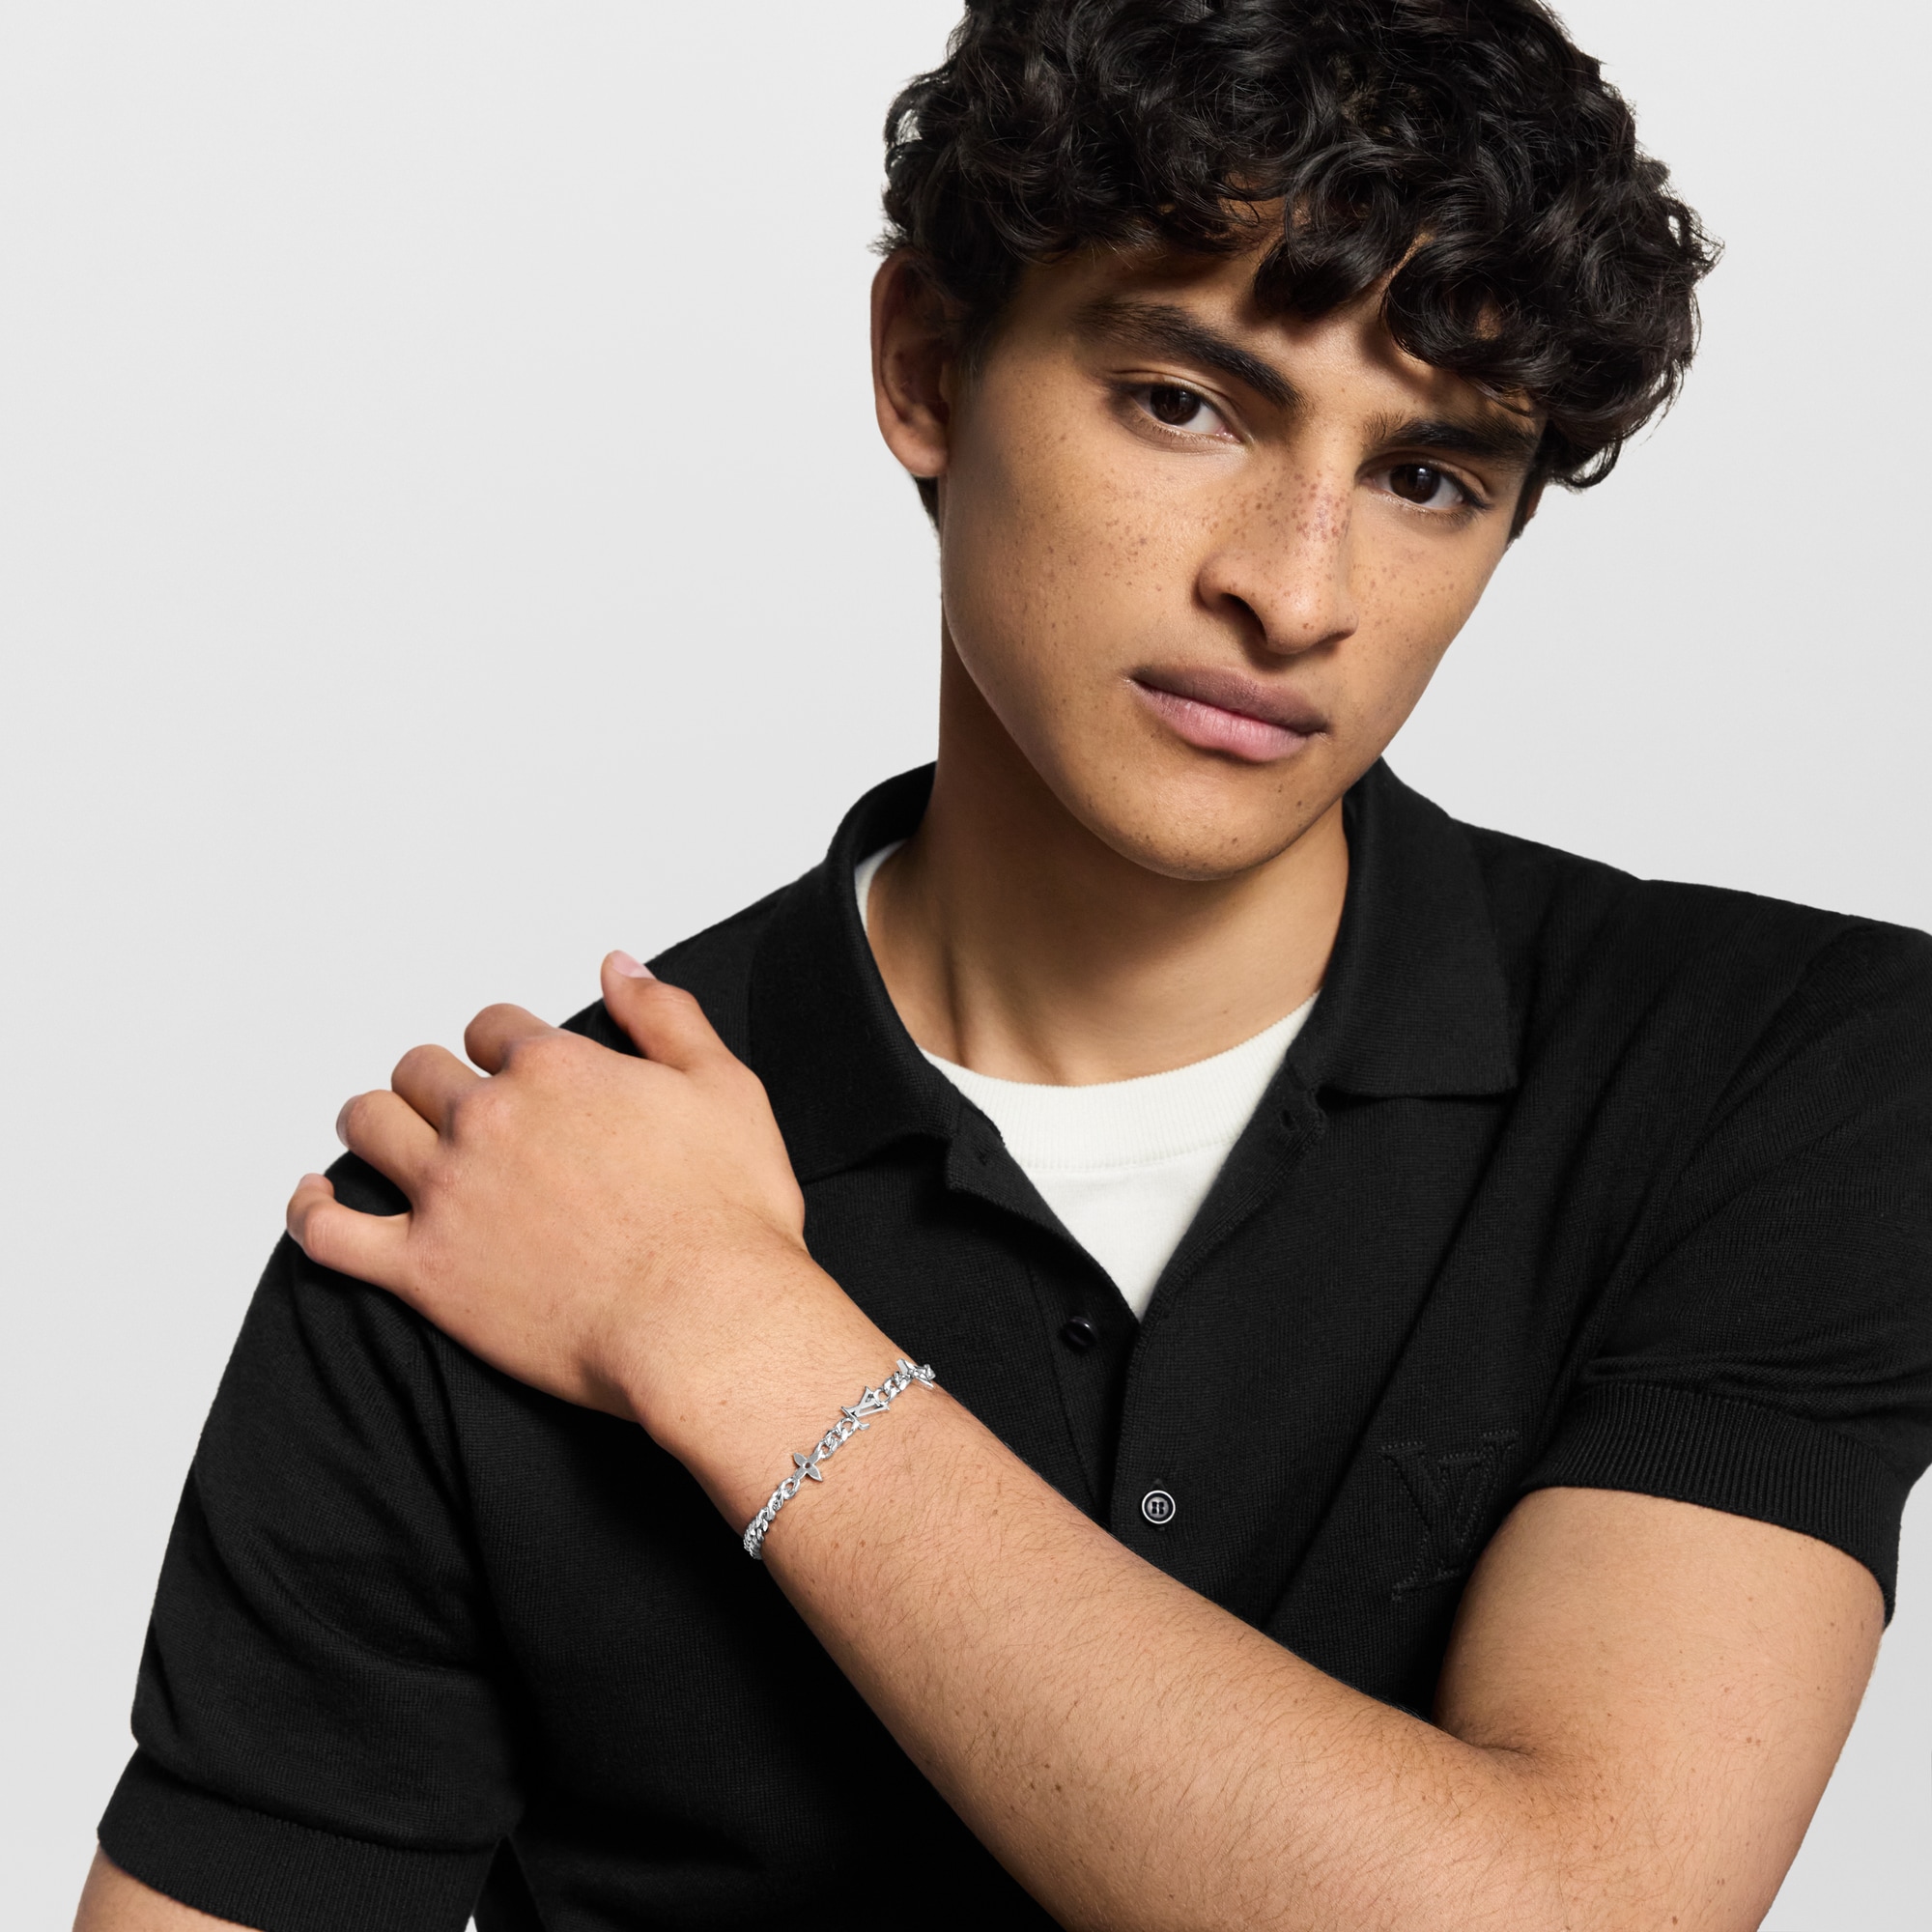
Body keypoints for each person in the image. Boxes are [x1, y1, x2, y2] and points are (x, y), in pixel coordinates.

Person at [77, 2, 1932, 1928]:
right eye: (1185, 403)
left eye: (1427, 478)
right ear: (926, 367)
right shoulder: (493, 1209)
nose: (1295, 591)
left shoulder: (1778, 1075)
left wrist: (714, 1322)